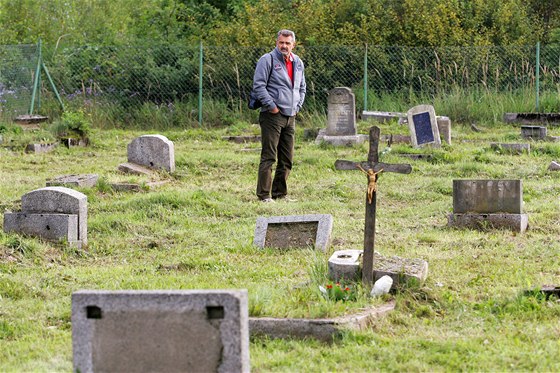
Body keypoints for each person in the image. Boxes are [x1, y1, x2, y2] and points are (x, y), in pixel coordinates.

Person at [252, 29, 306, 202]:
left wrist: (297, 107)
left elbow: (302, 87)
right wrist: (272, 107)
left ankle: (280, 194)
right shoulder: (267, 60)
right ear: (276, 42)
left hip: (291, 116)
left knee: (287, 158)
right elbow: (259, 86)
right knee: (269, 156)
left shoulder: (298, 62)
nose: (284, 46)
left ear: (293, 44)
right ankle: (264, 196)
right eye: (281, 42)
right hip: (272, 116)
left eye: (287, 43)